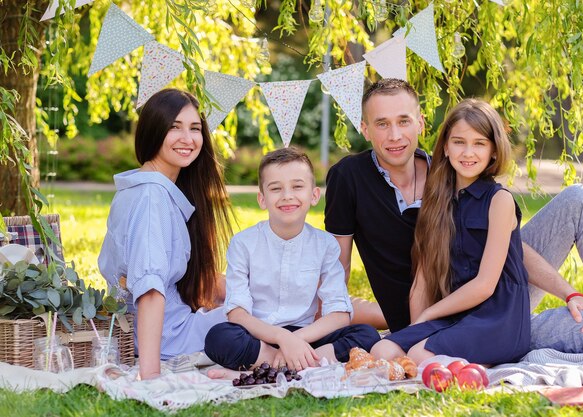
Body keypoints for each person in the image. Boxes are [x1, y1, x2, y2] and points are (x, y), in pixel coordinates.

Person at [325, 78, 583, 355]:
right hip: (441, 317)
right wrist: (319, 329)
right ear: (365, 129)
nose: (395, 135)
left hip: (494, 293)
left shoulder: (447, 172)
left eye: (403, 121)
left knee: (580, 199)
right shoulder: (349, 177)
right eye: (382, 124)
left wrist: (570, 293)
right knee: (573, 329)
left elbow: (509, 247)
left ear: (420, 123)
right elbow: (338, 268)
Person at [371, 99, 530, 365]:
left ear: (493, 150)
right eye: (459, 142)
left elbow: (484, 286)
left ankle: (477, 366)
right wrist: (415, 327)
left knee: (420, 354)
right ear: (445, 147)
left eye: (479, 143)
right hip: (456, 314)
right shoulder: (436, 201)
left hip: (499, 317)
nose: (468, 152)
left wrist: (429, 315)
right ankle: (456, 359)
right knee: (383, 351)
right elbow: (422, 279)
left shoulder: (499, 200)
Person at [204, 148, 380, 372]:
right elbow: (237, 313)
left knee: (367, 335)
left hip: (307, 335)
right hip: (260, 336)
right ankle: (299, 362)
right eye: (276, 188)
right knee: (219, 337)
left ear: (314, 195)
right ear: (262, 198)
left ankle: (286, 362)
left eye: (297, 186)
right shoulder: (243, 243)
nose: (287, 195)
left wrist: (296, 340)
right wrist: (283, 340)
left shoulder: (325, 245)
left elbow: (339, 314)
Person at [98, 88, 233, 380]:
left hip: (164, 330)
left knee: (267, 296)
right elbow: (149, 290)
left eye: (195, 128)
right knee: (276, 308)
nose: (188, 139)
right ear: (153, 131)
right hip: (170, 340)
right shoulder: (150, 197)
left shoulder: (144, 187)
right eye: (175, 128)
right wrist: (151, 378)